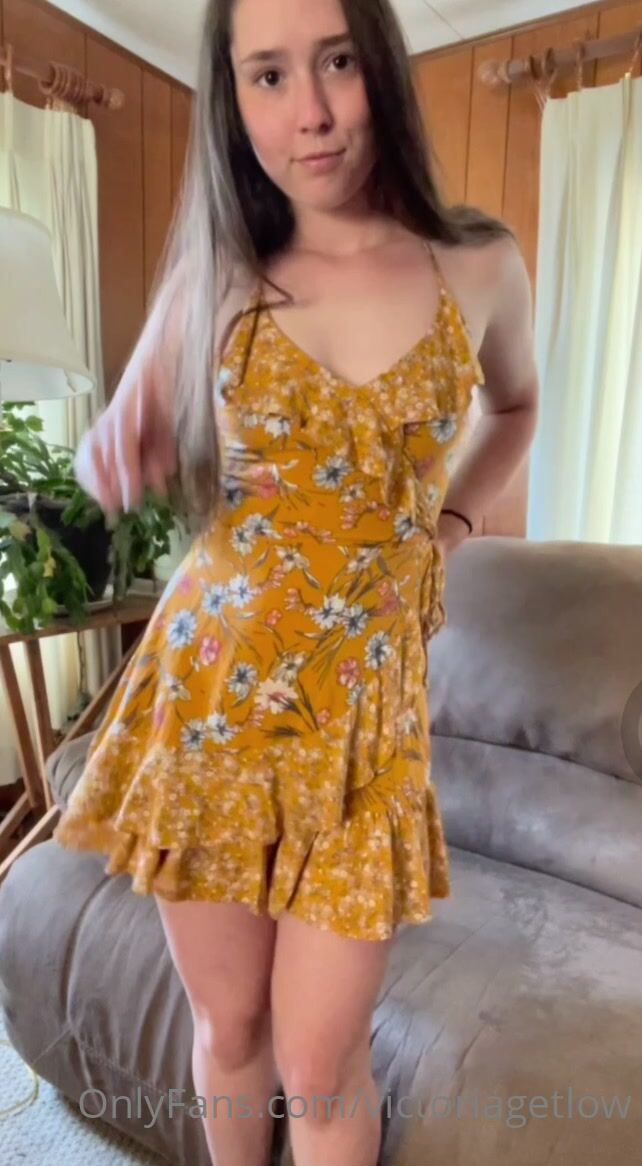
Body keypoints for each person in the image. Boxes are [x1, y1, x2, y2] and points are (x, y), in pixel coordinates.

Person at [53, 1, 539, 1163]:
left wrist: (451, 522)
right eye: (266, 76)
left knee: (322, 1062)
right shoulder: (215, 271)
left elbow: (516, 404)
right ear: (233, 100)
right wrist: (116, 447)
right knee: (230, 1026)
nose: (310, 112)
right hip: (210, 698)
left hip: (364, 722)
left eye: (336, 62)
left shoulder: (480, 261)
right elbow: (119, 441)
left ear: (382, 68)